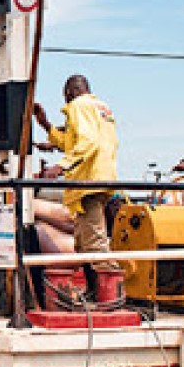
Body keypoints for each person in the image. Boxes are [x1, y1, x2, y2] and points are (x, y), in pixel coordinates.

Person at [33, 75, 119, 276]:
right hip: (99, 178)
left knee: (94, 243)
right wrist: (46, 125)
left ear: (69, 93)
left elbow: (88, 142)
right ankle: (94, 293)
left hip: (87, 181)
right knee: (83, 243)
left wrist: (60, 167)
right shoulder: (100, 108)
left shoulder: (79, 106)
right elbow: (75, 143)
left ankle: (109, 297)